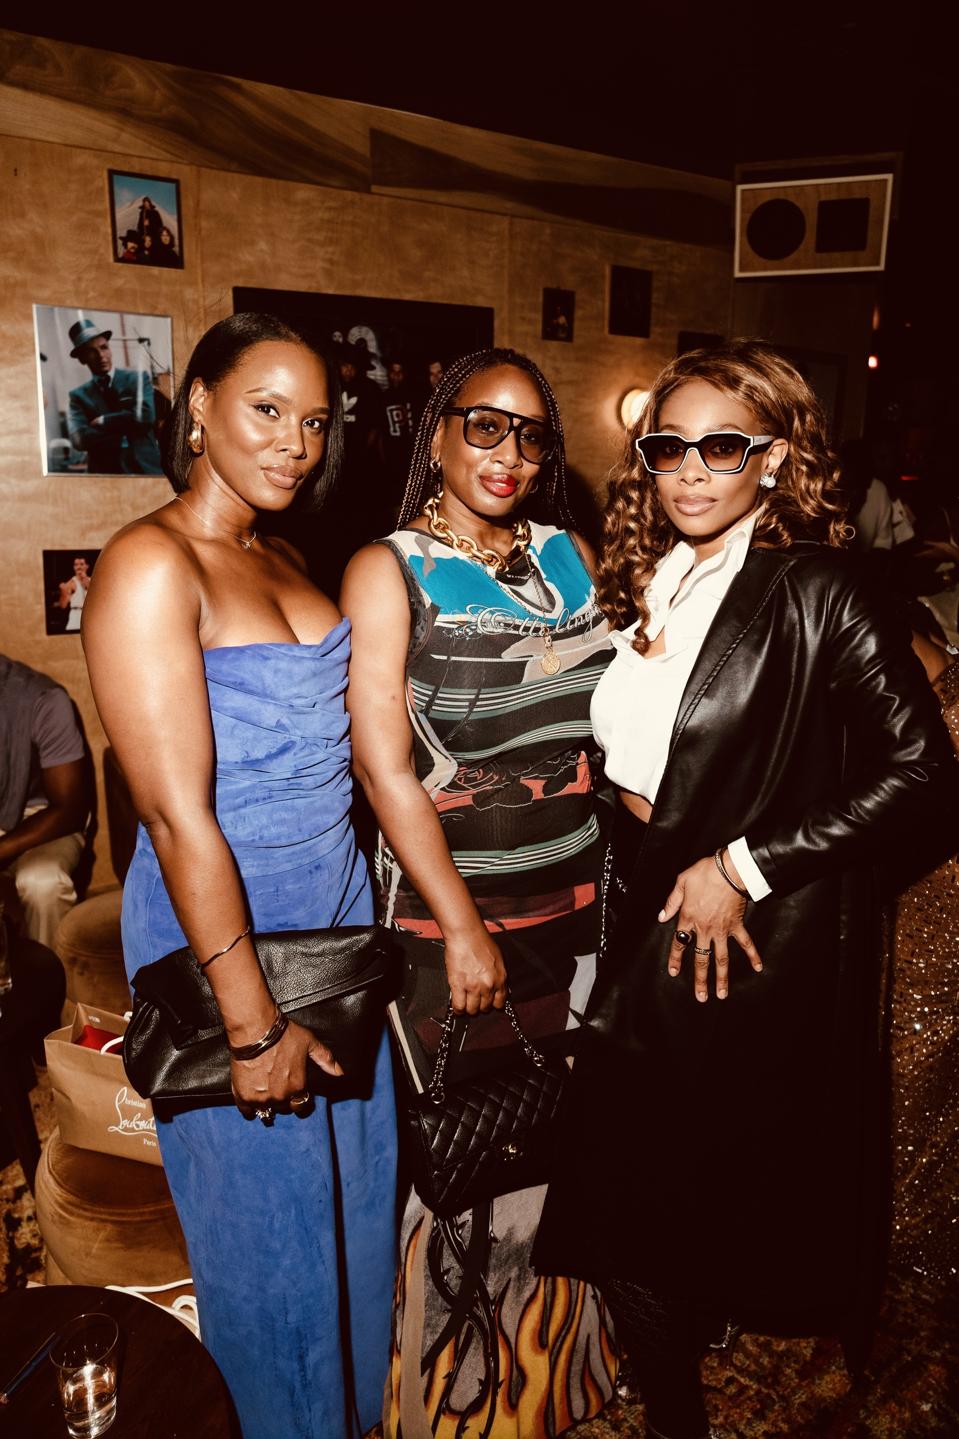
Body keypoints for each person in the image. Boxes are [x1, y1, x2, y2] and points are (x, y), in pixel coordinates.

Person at [532, 340, 959, 1439]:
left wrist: (742, 865)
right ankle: (681, 1387)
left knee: (626, 1192)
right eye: (667, 446)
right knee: (653, 1187)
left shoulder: (817, 585)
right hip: (637, 893)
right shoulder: (654, 574)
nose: (689, 469)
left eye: (721, 445)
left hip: (718, 923)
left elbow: (924, 773)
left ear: (773, 457)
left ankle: (675, 1415)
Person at [81, 313, 397, 1439]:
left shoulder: (287, 557)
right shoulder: (146, 563)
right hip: (230, 941)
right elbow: (176, 818)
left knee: (353, 1224)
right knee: (272, 1257)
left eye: (314, 420)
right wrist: (252, 1028)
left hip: (336, 928)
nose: (295, 444)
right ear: (200, 406)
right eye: (267, 409)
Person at [341, 347, 617, 1439]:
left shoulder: (568, 553)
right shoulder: (389, 568)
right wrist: (460, 926)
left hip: (574, 896)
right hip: (448, 910)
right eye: (484, 425)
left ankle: (547, 1379)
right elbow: (382, 767)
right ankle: (446, 1400)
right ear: (439, 431)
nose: (509, 452)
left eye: (530, 433)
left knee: (552, 1135)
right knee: (454, 1153)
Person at [888, 603, 959, 1287]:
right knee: (918, 1060)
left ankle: (913, 1240)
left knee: (919, 1057)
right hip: (922, 893)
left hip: (934, 897)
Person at [0, 655, 91, 948]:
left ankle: (51, 973)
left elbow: (70, 809)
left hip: (40, 817)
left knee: (44, 882)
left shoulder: (44, 700)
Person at [66, 319, 162, 475]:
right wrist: (129, 426)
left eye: (104, 347)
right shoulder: (78, 396)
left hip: (146, 469)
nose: (101, 356)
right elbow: (79, 439)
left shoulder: (137, 379)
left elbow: (146, 416)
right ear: (82, 359)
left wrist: (103, 421)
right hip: (106, 473)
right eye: (91, 351)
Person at [56, 555, 92, 632]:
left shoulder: (92, 581)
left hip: (90, 616)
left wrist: (84, 578)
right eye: (76, 565)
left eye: (81, 564)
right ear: (74, 567)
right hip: (76, 616)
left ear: (87, 566)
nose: (79, 567)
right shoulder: (70, 583)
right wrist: (63, 592)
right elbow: (63, 605)